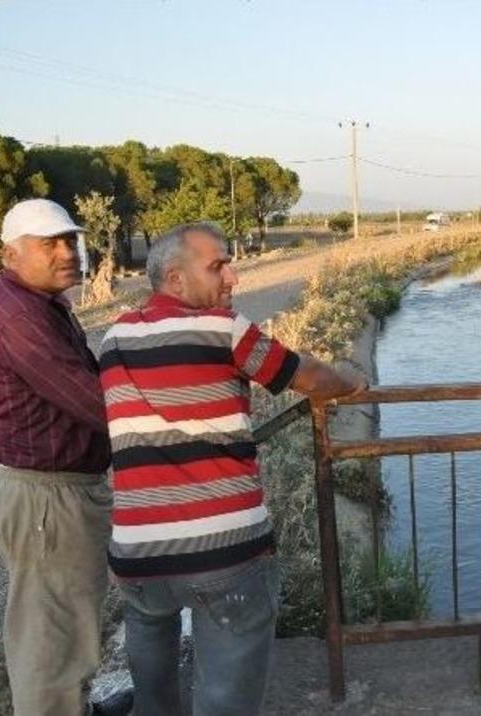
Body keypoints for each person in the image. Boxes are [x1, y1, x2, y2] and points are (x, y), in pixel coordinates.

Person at [98, 221, 367, 714]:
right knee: (226, 704)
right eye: (218, 265)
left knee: (154, 700)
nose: (234, 277)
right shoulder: (224, 329)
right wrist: (351, 382)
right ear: (175, 280)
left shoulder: (113, 337)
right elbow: (309, 376)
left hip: (138, 560)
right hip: (223, 555)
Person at [0, 199, 129, 715]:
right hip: (47, 497)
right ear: (10, 254)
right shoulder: (19, 316)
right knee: (51, 633)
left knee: (63, 620)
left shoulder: (38, 304)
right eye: (48, 243)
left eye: (70, 240)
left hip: (54, 490)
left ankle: (77, 706)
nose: (66, 252)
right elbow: (91, 400)